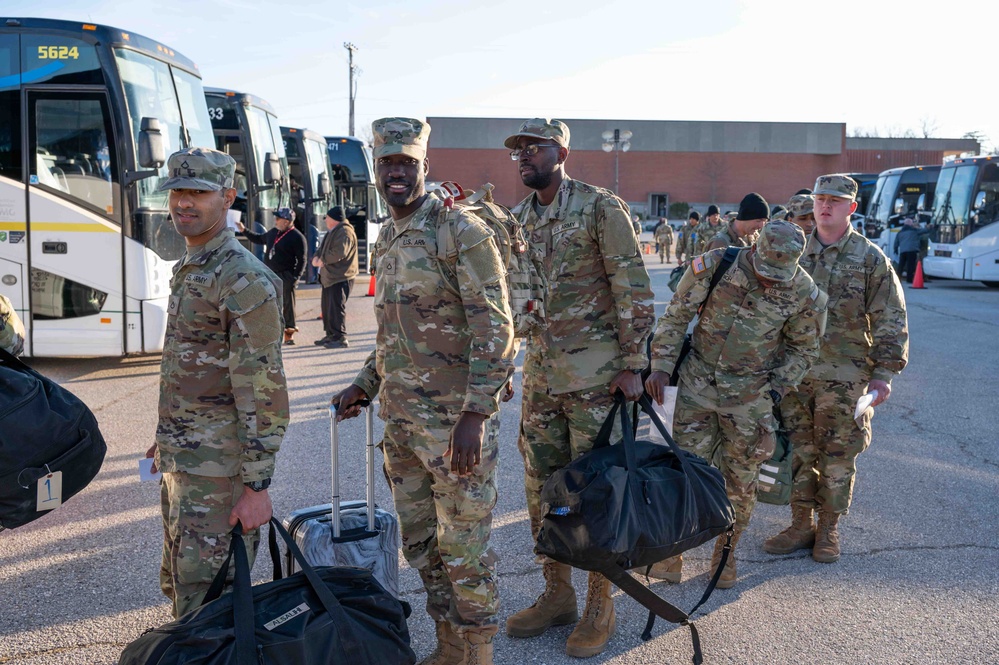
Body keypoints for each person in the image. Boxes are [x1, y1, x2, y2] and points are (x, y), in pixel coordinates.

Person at [331, 118, 514, 665]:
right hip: (403, 427)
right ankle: (450, 648)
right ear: (374, 166)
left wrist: (476, 414)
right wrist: (365, 382)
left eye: (406, 163)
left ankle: (478, 654)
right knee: (422, 546)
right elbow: (394, 332)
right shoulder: (386, 234)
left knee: (464, 550)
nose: (395, 172)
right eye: (386, 162)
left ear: (423, 168)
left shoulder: (459, 232)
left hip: (455, 430)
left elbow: (497, 328)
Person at [503, 118, 655, 658]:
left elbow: (632, 285)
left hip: (598, 381)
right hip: (542, 378)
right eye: (518, 150)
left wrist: (635, 363)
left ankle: (600, 604)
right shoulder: (517, 219)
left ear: (560, 151)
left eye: (534, 148)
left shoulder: (599, 207)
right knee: (544, 490)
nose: (523, 157)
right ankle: (557, 594)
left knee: (598, 493)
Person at [145, 147, 288, 618]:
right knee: (182, 587)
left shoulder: (242, 278)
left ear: (226, 197)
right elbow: (194, 366)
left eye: (199, 193)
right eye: (178, 192)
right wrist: (167, 433)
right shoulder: (194, 267)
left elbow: (262, 390)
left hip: (219, 476)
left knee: (210, 601)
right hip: (185, 460)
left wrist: (257, 488)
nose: (184, 203)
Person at [645, 221, 827, 588]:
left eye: (779, 276)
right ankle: (672, 551)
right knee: (682, 469)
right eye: (765, 272)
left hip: (750, 398)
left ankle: (725, 554)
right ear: (754, 248)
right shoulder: (717, 263)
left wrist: (773, 390)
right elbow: (677, 314)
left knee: (741, 480)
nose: (771, 281)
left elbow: (804, 350)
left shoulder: (805, 293)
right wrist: (662, 366)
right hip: (697, 385)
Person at [763, 174, 908, 564]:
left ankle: (828, 528)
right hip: (793, 375)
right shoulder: (791, 251)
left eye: (835, 200)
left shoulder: (870, 258)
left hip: (845, 377)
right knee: (796, 452)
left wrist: (884, 374)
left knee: (838, 456)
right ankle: (800, 524)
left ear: (851, 208)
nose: (825, 206)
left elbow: (890, 318)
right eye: (820, 199)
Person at [238, 207, 307, 344]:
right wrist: (243, 230)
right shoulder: (274, 232)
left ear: (287, 222)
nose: (275, 221)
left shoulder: (297, 237)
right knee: (267, 303)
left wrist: (295, 278)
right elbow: (259, 239)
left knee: (287, 304)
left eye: (278, 218)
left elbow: (302, 259)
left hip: (286, 275)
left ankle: (289, 332)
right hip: (270, 274)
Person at [313, 206, 358, 348]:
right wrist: (316, 256)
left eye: (327, 217)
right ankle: (331, 335)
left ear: (333, 219)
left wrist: (322, 260)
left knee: (337, 308)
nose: (325, 220)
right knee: (328, 308)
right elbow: (322, 248)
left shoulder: (345, 231)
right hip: (330, 277)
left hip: (340, 277)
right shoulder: (333, 231)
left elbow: (340, 252)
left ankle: (340, 338)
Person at [703, 192, 769, 252]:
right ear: (745, 217)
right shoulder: (719, 243)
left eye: (764, 221)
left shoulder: (755, 237)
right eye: (758, 220)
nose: (761, 226)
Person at [893, 217, 930, 284]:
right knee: (911, 265)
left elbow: (896, 242)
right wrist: (929, 227)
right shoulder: (914, 230)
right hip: (912, 250)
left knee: (901, 265)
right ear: (911, 224)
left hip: (903, 251)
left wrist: (895, 249)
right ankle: (909, 279)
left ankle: (897, 278)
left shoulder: (900, 232)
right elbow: (924, 231)